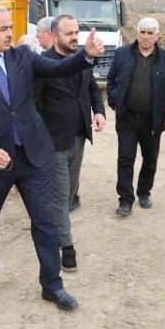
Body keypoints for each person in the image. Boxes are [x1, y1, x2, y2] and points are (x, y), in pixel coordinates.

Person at [0, 3, 104, 311]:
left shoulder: (23, 56)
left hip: (32, 155)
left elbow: (58, 68)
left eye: (11, 27)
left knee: (45, 221)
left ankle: (52, 285)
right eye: (4, 29)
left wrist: (86, 56)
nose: (11, 33)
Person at [35, 15, 106, 272]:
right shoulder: (43, 64)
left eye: (76, 32)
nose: (75, 37)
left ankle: (53, 225)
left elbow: (92, 89)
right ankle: (66, 246)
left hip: (79, 137)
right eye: (69, 33)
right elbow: (33, 104)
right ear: (54, 36)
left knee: (68, 193)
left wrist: (99, 112)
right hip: (55, 142)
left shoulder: (82, 59)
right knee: (60, 196)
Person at [105, 17, 165, 216]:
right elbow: (111, 81)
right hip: (127, 117)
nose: (146, 37)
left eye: (150, 33)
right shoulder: (122, 54)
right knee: (125, 158)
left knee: (150, 158)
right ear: (137, 33)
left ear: (157, 36)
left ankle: (144, 192)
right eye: (143, 32)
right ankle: (125, 200)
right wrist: (115, 102)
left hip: (153, 120)